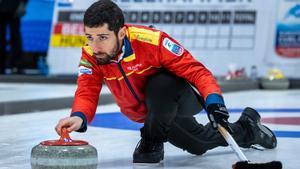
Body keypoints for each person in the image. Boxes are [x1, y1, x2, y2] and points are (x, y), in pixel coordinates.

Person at [55, 0, 277, 164]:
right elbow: (87, 88)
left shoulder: (152, 41)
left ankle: (151, 140)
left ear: (121, 32)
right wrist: (79, 116)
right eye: (89, 37)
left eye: (102, 37)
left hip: (179, 97)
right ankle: (248, 129)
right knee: (197, 143)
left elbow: (196, 71)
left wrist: (214, 101)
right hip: (152, 113)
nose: (95, 46)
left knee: (160, 83)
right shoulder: (91, 55)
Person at [0, 0, 27, 74]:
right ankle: (14, 66)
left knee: (15, 36)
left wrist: (23, 4)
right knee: (6, 37)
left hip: (14, 7)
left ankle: (17, 65)